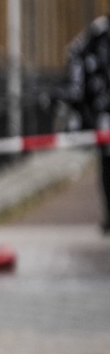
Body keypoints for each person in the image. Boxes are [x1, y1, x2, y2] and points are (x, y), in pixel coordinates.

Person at [62, 14, 110, 233]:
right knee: (108, 164)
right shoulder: (99, 33)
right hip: (106, 113)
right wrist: (83, 106)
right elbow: (76, 55)